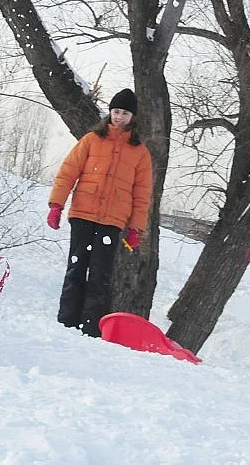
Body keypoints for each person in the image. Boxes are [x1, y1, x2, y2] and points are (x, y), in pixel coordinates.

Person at [46, 89, 153, 337]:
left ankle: (91, 327)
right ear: (110, 113)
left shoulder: (140, 152)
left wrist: (136, 228)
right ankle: (66, 322)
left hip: (112, 220)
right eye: (116, 111)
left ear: (132, 117)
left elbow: (142, 193)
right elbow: (68, 172)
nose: (119, 117)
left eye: (125, 113)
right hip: (83, 213)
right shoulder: (92, 140)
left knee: (100, 274)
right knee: (76, 266)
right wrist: (56, 205)